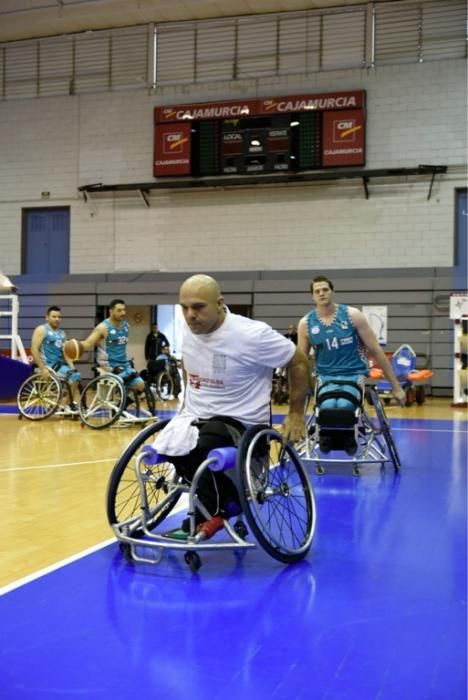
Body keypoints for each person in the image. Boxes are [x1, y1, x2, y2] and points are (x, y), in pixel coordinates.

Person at [150, 274, 310, 540]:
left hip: (242, 424)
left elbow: (300, 361)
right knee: (169, 444)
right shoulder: (190, 332)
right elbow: (189, 369)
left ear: (219, 303)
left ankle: (222, 506)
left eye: (199, 307)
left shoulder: (251, 335)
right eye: (184, 307)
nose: (190, 315)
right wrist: (185, 407)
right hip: (197, 418)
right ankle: (214, 507)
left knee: (203, 442)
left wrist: (295, 415)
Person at [297, 275, 406, 452]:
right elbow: (300, 362)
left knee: (345, 405)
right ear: (312, 296)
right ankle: (327, 438)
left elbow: (376, 351)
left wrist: (396, 386)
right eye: (317, 291)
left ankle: (348, 438)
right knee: (327, 406)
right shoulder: (306, 324)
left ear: (332, 292)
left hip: (353, 373)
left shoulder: (352, 316)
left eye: (325, 289)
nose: (322, 293)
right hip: (325, 376)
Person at [80, 299, 145, 396]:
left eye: (124, 310)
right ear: (111, 311)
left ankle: (121, 406)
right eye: (119, 310)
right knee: (128, 377)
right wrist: (74, 344)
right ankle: (118, 403)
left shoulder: (125, 326)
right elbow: (87, 344)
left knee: (140, 385)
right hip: (109, 366)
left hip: (123, 364)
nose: (123, 313)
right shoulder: (102, 327)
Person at [30, 306, 81, 410]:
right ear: (47, 317)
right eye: (54, 316)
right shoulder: (42, 329)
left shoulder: (62, 333)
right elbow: (34, 349)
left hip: (58, 366)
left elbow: (66, 354)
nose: (57, 319)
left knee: (75, 375)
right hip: (48, 365)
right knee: (75, 376)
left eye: (59, 317)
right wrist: (43, 368)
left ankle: (65, 404)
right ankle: (66, 405)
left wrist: (72, 367)